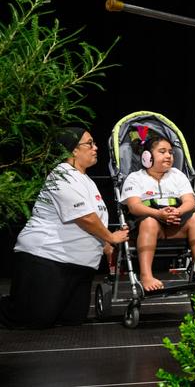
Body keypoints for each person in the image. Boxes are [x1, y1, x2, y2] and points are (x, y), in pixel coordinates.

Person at [0, 128, 129, 328]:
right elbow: (85, 217)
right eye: (90, 143)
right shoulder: (61, 174)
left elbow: (97, 220)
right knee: (32, 319)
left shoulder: (86, 180)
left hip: (80, 266)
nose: (96, 148)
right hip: (47, 257)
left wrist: (105, 245)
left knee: (72, 320)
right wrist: (111, 237)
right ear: (73, 150)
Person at [121, 134, 195, 291]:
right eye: (162, 151)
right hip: (148, 226)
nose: (168, 156)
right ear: (147, 156)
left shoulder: (177, 175)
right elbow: (134, 206)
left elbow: (190, 202)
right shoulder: (135, 178)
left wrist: (178, 211)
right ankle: (146, 275)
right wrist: (158, 214)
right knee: (149, 221)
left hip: (175, 223)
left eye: (171, 152)